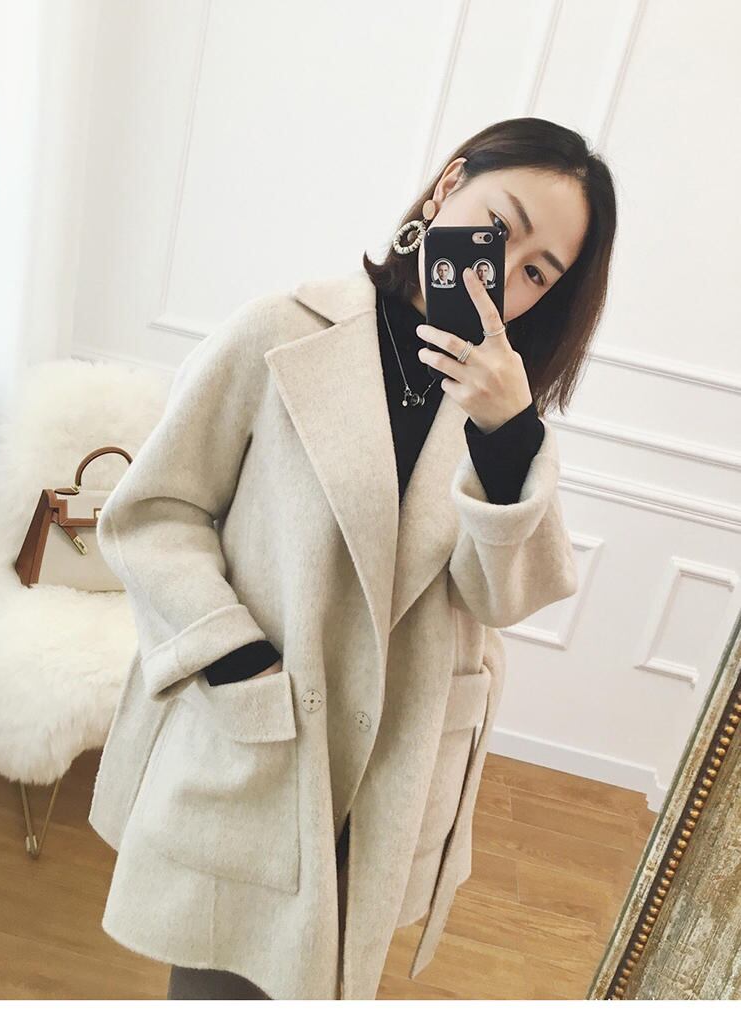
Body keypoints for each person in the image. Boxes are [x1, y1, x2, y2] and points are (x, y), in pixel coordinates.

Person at [88, 116, 616, 1000]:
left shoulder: (499, 410)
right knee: (219, 979)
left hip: (394, 764)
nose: (503, 273)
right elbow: (154, 511)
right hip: (266, 728)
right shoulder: (282, 330)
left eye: (537, 272)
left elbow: (501, 597)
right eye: (500, 227)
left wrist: (508, 435)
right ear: (448, 187)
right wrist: (233, 656)